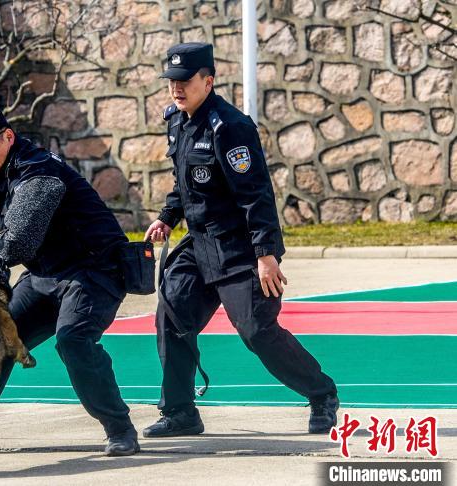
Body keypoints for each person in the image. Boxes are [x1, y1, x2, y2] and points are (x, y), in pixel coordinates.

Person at [0, 105, 139, 456]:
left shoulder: (40, 175)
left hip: (92, 272)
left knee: (74, 341)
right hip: (46, 273)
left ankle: (120, 429)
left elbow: (17, 243)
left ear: (7, 137)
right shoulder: (2, 168)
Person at [142, 42, 339, 438]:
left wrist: (266, 255)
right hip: (199, 246)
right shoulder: (178, 121)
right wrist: (167, 217)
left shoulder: (229, 126)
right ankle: (180, 412)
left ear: (208, 80)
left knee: (257, 331)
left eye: (185, 81)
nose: (176, 89)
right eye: (172, 82)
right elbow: (184, 183)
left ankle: (321, 394)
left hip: (239, 249)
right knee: (172, 314)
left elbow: (256, 194)